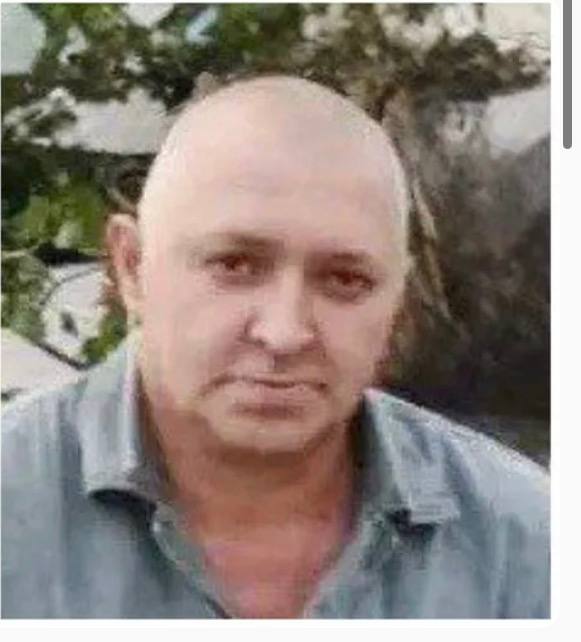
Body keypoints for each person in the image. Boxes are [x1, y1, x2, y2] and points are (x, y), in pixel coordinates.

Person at [1, 75, 549, 619]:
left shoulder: (523, 546)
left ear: (397, 298)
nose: (285, 332)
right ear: (131, 267)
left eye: (344, 280)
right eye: (235, 265)